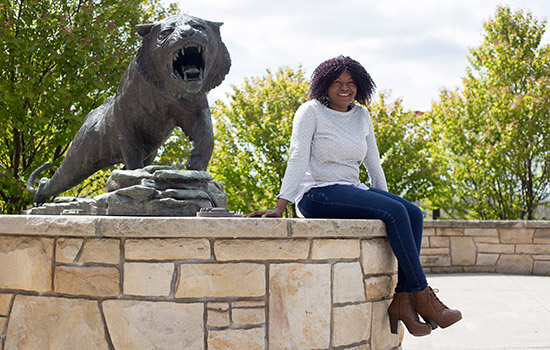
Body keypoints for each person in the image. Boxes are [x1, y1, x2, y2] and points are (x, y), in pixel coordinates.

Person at [245, 55, 461, 337]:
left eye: (351, 83)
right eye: (337, 83)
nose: (345, 88)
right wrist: (280, 205)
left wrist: (388, 202)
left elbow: (373, 163)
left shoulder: (361, 115)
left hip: (351, 189)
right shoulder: (310, 112)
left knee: (412, 213)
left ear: (360, 86)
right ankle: (421, 294)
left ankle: (403, 300)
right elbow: (297, 158)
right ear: (324, 85)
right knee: (397, 213)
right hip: (317, 194)